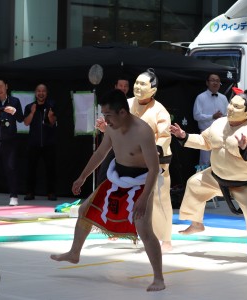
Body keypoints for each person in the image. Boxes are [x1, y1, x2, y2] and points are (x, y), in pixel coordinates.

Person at [50, 89, 165, 292]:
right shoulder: (111, 128)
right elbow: (101, 152)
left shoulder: (143, 131)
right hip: (116, 176)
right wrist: (83, 176)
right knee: (84, 210)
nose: (106, 120)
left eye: (108, 115)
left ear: (122, 112)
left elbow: (154, 169)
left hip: (141, 180)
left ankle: (159, 278)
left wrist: (144, 198)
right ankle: (74, 253)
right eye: (103, 115)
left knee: (144, 228)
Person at [170, 90, 247, 266]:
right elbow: (205, 141)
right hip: (217, 176)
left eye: (237, 106)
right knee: (195, 183)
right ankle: (196, 223)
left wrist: (244, 149)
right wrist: (184, 136)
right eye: (231, 103)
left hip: (246, 182)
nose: (231, 108)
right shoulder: (219, 123)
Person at [95, 70, 173, 252]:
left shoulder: (160, 111)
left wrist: (154, 151)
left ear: (153, 90)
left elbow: (164, 136)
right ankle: (121, 229)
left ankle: (166, 238)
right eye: (136, 83)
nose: (137, 87)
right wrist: (105, 129)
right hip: (129, 163)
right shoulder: (126, 104)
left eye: (142, 84)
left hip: (156, 163)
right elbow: (116, 128)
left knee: (160, 201)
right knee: (123, 197)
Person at [23, 84, 58, 201]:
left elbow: (53, 123)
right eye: (39, 91)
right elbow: (26, 123)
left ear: (46, 93)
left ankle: (51, 193)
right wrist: (32, 113)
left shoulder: (51, 105)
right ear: (35, 93)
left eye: (43, 91)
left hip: (49, 143)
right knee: (31, 169)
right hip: (34, 143)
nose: (41, 93)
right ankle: (29, 192)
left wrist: (50, 116)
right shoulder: (29, 107)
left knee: (50, 169)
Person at [95, 75, 130, 186]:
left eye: (125, 86)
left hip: (128, 148)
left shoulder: (133, 104)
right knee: (103, 178)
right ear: (115, 87)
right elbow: (107, 127)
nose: (123, 88)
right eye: (121, 85)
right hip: (111, 147)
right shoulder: (107, 104)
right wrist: (103, 128)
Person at [0, 79, 24, 206]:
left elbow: (21, 119)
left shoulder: (14, 101)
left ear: (6, 87)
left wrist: (14, 111)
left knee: (11, 168)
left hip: (10, 141)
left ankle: (14, 196)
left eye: (1, 86)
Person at [193, 73, 228, 166]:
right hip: (205, 134)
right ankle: (201, 180)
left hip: (221, 134)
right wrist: (212, 116)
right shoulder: (201, 97)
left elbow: (227, 116)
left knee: (220, 161)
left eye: (217, 81)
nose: (215, 83)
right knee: (205, 161)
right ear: (207, 83)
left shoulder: (223, 98)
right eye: (213, 80)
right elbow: (196, 116)